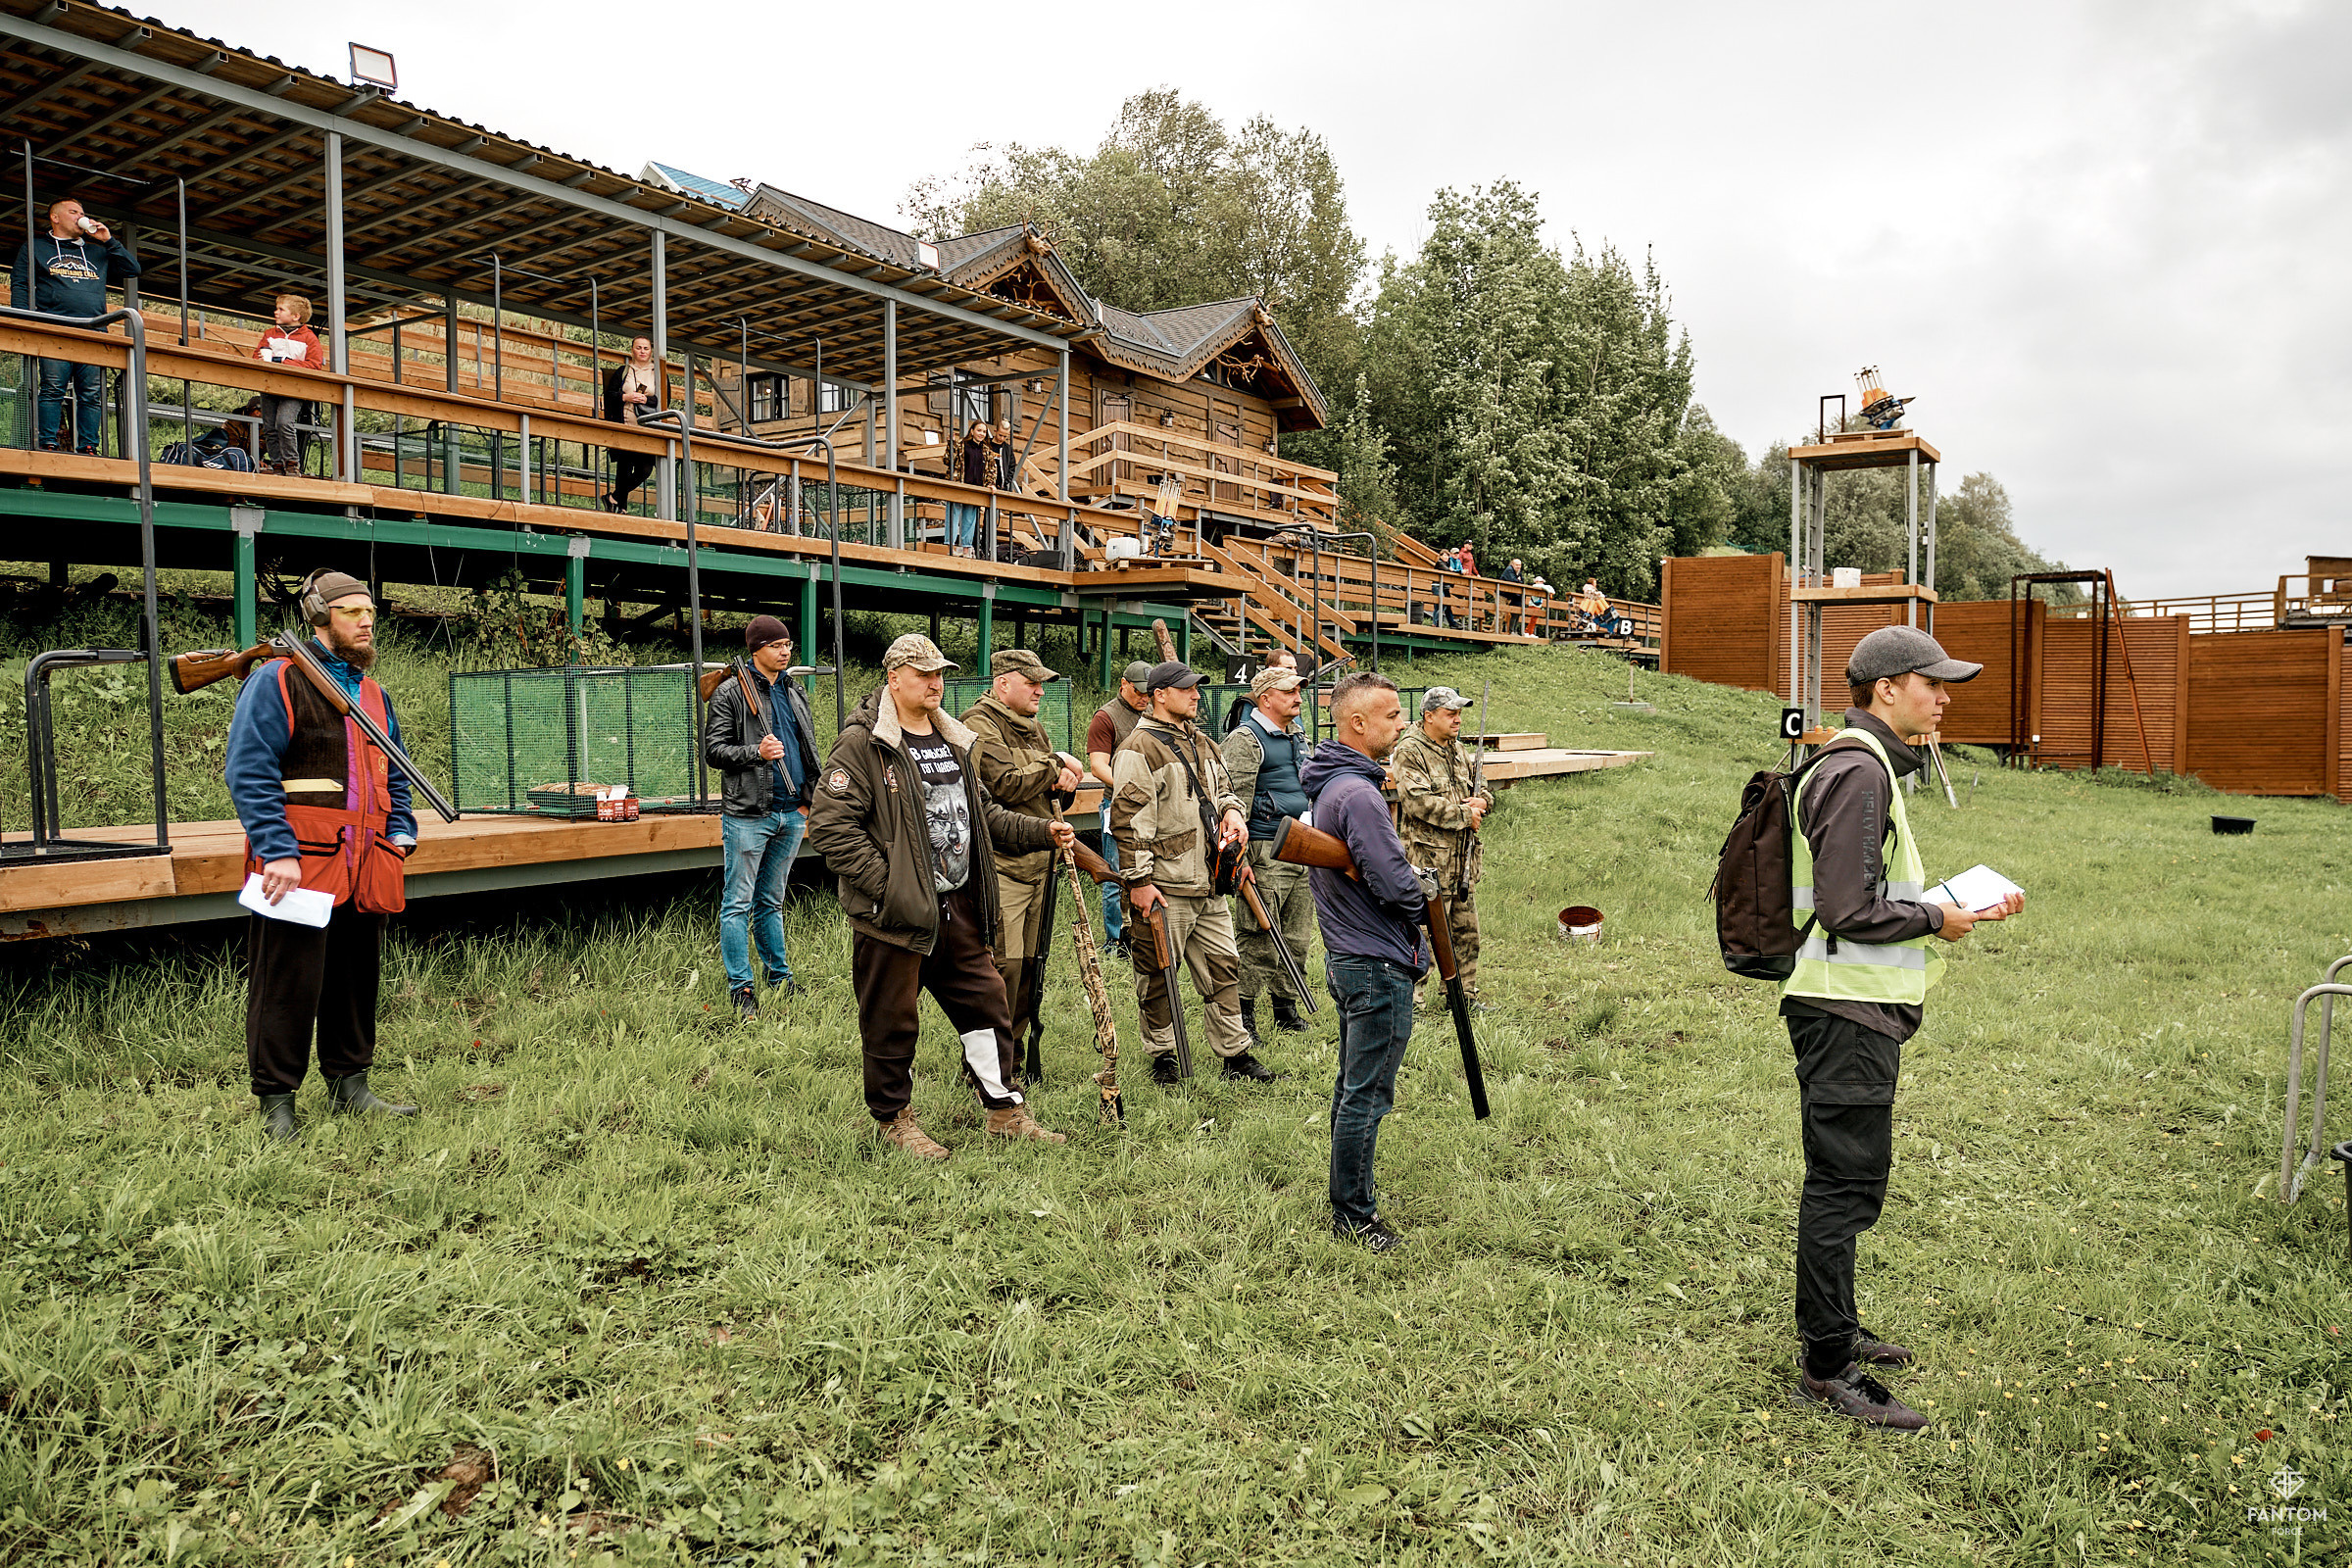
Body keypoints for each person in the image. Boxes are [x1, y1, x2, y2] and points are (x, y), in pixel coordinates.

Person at [1784, 625, 2023, 1429]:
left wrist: (1954, 902)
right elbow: (1845, 908)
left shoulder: (1866, 763)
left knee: (1848, 1182)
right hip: (1842, 1012)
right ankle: (1827, 1368)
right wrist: (1936, 918)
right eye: (1934, 683)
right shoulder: (1857, 770)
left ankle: (1836, 1328)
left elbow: (1859, 890)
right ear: (1887, 689)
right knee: (1843, 1187)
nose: (1946, 697)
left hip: (1853, 1006)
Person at [805, 634, 1075, 1157]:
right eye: (923, 673)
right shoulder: (865, 744)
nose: (935, 682)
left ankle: (1003, 1109)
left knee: (988, 1004)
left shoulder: (953, 739)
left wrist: (1041, 832)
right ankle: (894, 1120)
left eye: (940, 673)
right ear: (893, 678)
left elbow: (983, 815)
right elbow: (831, 827)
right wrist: (892, 889)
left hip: (958, 907)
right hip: (894, 917)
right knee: (892, 1020)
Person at [224, 568, 417, 1141]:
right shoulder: (278, 680)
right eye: (353, 612)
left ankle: (350, 1084)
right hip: (299, 864)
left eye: (371, 613)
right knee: (287, 983)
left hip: (367, 862)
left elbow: (397, 771)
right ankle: (277, 1100)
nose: (366, 621)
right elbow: (248, 770)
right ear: (319, 617)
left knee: (355, 982)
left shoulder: (375, 694)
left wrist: (401, 827)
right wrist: (276, 849)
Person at [1298, 671, 1428, 1252]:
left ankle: (1348, 1197)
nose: (1403, 724)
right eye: (1393, 715)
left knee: (1353, 1086)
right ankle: (1354, 1217)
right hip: (1374, 961)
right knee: (1366, 1094)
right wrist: (1424, 891)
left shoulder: (1337, 786)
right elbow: (1393, 885)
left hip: (1353, 954)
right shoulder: (1358, 794)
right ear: (1357, 723)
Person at [1110, 662, 1272, 1084]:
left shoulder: (1202, 742)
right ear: (1160, 694)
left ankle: (1236, 1056)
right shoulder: (1137, 748)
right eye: (1187, 689)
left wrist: (1234, 813)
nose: (1197, 695)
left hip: (1209, 883)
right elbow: (1129, 821)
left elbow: (1223, 792)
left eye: (1197, 688)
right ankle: (1163, 1057)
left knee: (1224, 968)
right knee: (1158, 974)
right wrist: (1140, 883)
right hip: (1163, 886)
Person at [959, 648, 1086, 1061]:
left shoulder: (1031, 728)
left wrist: (1060, 780)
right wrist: (1056, 763)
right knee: (1002, 970)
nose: (1039, 692)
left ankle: (1010, 1056)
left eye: (1041, 684)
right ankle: (983, 1063)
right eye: (1031, 683)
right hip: (1003, 867)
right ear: (1003, 683)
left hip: (1038, 865)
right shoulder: (978, 724)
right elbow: (1006, 784)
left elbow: (1042, 792)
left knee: (1030, 969)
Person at [703, 614, 821, 1022]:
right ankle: (742, 988)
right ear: (757, 650)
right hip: (749, 812)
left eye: (788, 644)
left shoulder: (794, 689)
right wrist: (756, 752)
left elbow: (808, 747)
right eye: (776, 645)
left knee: (771, 902)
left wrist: (809, 799)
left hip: (792, 811)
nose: (785, 651)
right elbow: (713, 751)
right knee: (737, 902)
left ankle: (780, 979)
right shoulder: (731, 692)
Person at [1221, 664, 1315, 1040]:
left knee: (1296, 933)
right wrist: (1239, 860)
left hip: (1303, 845)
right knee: (1258, 934)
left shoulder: (1297, 736)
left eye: (1297, 691)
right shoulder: (1246, 739)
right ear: (1266, 699)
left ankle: (1285, 1008)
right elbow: (1233, 801)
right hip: (1264, 847)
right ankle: (1243, 1013)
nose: (1297, 698)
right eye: (1289, 692)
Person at [11, 197, 142, 456]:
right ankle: (47, 442)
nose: (81, 216)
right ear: (55, 217)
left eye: (82, 212)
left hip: (93, 330)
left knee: (91, 393)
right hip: (55, 328)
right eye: (74, 212)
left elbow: (132, 269)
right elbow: (20, 284)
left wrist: (108, 240)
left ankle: (89, 447)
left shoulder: (97, 251)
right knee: (52, 388)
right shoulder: (35, 246)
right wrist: (24, 323)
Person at [1392, 687, 1493, 1010]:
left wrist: (1483, 801)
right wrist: (1466, 814)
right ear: (1429, 716)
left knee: (1466, 933)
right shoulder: (1410, 751)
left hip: (1462, 861)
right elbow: (1417, 801)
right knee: (1423, 936)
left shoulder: (1459, 750)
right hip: (1428, 861)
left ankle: (1463, 998)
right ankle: (1412, 1004)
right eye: (1451, 714)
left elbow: (1482, 786)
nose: (1458, 719)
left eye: (1460, 714)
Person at [1084, 660, 1154, 963]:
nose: (1144, 698)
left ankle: (1140, 935)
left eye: (1148, 693)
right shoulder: (1107, 717)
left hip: (1151, 806)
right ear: (1123, 684)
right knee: (1114, 875)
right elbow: (1098, 766)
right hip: (1117, 804)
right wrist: (1132, 787)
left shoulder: (1152, 713)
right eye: (1139, 691)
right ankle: (1115, 942)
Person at [252, 292, 324, 477]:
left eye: (281, 309)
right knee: (269, 426)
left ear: (295, 316)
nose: (276, 312)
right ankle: (277, 465)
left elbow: (315, 365)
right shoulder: (269, 334)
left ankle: (292, 465)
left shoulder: (309, 338)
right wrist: (261, 358)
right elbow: (256, 355)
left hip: (294, 389)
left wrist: (284, 361)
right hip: (269, 386)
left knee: (284, 422)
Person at [602, 336, 664, 513]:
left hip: (648, 429)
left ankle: (613, 497)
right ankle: (621, 507)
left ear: (651, 351)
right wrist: (626, 397)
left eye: (646, 348)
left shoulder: (658, 374)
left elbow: (664, 401)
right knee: (624, 467)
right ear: (632, 350)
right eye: (639, 348)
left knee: (645, 469)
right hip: (625, 425)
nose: (642, 351)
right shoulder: (624, 371)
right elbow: (608, 396)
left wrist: (646, 399)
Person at [1221, 648, 1299, 737]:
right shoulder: (1252, 700)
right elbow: (1244, 738)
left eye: (1295, 668)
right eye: (1289, 668)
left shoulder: (1295, 699)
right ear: (1271, 669)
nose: (1295, 673)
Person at [946, 418, 991, 557]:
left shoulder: (986, 450)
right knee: (953, 514)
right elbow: (948, 460)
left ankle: (966, 548)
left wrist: (990, 484)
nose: (981, 434)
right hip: (959, 485)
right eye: (979, 430)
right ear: (972, 431)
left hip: (975, 488)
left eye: (984, 431)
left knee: (970, 519)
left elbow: (991, 470)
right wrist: (950, 444)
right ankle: (950, 546)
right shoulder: (961, 444)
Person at [1498, 559, 1526, 635]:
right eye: (1517, 565)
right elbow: (1513, 580)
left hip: (1509, 596)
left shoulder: (1518, 572)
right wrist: (1518, 580)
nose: (1518, 567)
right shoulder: (1509, 570)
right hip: (1502, 594)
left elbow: (1522, 581)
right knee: (1501, 613)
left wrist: (1519, 580)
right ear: (1512, 565)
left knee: (1506, 613)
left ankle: (1500, 631)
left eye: (1520, 565)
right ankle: (1495, 631)